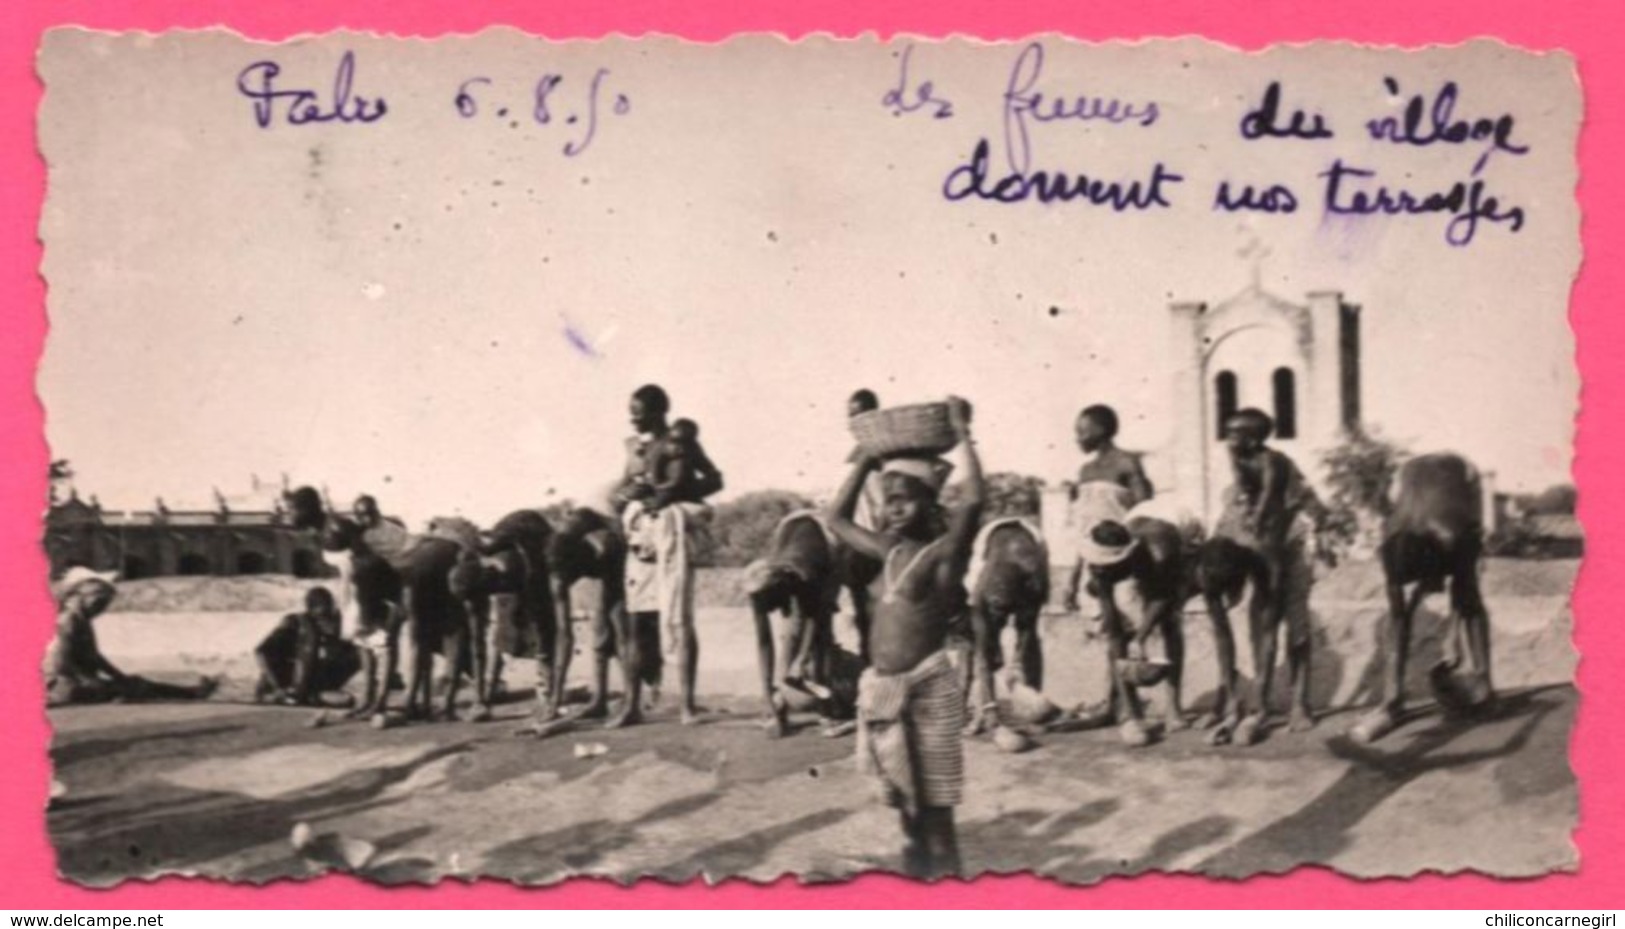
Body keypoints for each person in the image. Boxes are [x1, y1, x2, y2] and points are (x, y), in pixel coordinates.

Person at [827, 396, 983, 879]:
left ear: (929, 500)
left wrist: (962, 432)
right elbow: (835, 519)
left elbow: (975, 499)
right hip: (885, 694)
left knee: (937, 813)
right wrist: (865, 463)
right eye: (887, 499)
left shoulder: (942, 557)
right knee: (908, 817)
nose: (893, 509)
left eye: (904, 498)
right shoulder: (890, 549)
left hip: (927, 692)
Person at [1213, 407, 1332, 741]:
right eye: (1228, 432)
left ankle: (1299, 703)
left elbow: (1271, 515)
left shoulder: (1275, 465)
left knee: (1296, 624)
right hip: (1263, 548)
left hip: (1293, 543)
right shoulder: (1239, 474)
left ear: (1254, 438)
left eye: (1236, 434)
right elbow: (1234, 530)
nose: (1230, 440)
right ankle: (1259, 705)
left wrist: (1272, 578)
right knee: (1260, 623)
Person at [613, 384, 717, 726]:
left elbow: (715, 480)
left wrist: (671, 493)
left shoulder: (680, 444)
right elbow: (620, 494)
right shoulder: (635, 449)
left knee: (680, 620)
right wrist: (631, 493)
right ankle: (631, 705)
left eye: (639, 414)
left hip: (671, 539)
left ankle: (687, 705)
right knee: (635, 623)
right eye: (632, 413)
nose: (633, 419)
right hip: (641, 540)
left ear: (659, 413)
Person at [1072, 518, 1191, 746]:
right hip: (1136, 535)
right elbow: (1114, 630)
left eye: (1104, 567)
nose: (1098, 569)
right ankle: (1129, 711)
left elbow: (1162, 598)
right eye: (1097, 565)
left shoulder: (1158, 555)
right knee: (1117, 636)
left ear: (1121, 560)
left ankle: (1173, 708)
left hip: (1178, 532)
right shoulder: (1100, 567)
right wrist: (1131, 719)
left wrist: (1141, 636)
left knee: (1170, 623)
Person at [45, 567, 217, 707]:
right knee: (133, 687)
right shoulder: (68, 621)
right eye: (98, 601)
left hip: (76, 682)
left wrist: (120, 676)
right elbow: (61, 663)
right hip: (67, 686)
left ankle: (191, 692)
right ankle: (192, 693)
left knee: (131, 683)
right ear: (79, 598)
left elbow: (95, 657)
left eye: (105, 603)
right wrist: (88, 680)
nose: (102, 608)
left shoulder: (80, 620)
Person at [1062, 404, 1155, 612]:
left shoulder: (1127, 463)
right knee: (1103, 634)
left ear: (1101, 430)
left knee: (1129, 621)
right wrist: (1073, 580)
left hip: (1123, 560)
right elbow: (1083, 531)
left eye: (1082, 431)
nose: (1078, 438)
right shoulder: (1085, 472)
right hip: (1092, 564)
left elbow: (1145, 511)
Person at [254, 586, 362, 707]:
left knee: (346, 699)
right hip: (284, 684)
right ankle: (286, 695)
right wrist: (278, 687)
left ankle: (309, 696)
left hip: (311, 687)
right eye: (323, 615)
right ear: (312, 611)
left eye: (329, 613)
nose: (327, 622)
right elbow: (261, 652)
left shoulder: (338, 625)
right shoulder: (295, 623)